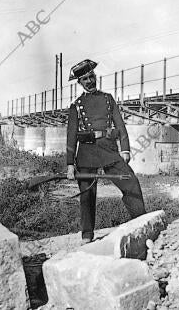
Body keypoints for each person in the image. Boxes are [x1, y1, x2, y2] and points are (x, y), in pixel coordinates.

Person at [66, 59, 146, 245]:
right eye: (85, 79)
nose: (89, 81)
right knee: (87, 195)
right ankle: (87, 235)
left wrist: (125, 149)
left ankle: (141, 221)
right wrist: (70, 164)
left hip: (109, 151)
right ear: (80, 83)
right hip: (86, 153)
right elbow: (71, 137)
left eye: (91, 76)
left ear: (95, 77)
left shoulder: (108, 98)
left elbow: (120, 125)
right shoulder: (76, 106)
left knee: (131, 182)